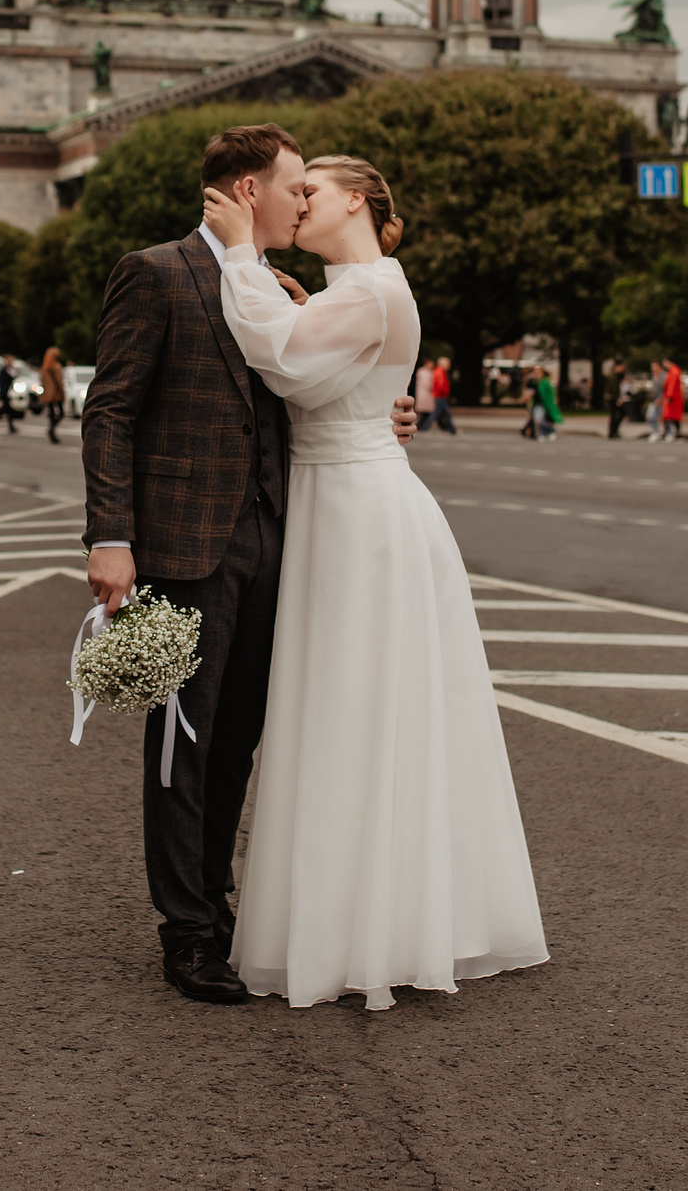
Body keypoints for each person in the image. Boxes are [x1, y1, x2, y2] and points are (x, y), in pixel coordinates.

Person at [81, 121, 422, 1008]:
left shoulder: (281, 285)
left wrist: (382, 413)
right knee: (181, 742)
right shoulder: (155, 272)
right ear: (245, 191)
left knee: (237, 740)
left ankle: (218, 907)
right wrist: (109, 536)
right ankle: (187, 932)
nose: (302, 200)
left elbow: (309, 387)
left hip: (278, 541)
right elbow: (110, 410)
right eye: (292, 186)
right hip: (187, 545)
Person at [200, 153, 545, 1009]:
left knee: (350, 713)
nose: (294, 201)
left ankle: (357, 927)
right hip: (348, 500)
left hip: (357, 513)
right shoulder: (356, 290)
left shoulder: (364, 291)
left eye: (310, 189)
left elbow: (280, 359)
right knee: (354, 716)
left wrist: (239, 253)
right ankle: (381, 916)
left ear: (356, 199)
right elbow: (321, 373)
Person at [38, 346, 67, 444]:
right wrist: (61, 392)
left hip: (48, 394)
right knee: (60, 413)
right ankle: (52, 430)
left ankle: (51, 429)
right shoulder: (55, 366)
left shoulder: (45, 367)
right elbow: (59, 381)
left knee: (51, 414)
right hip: (56, 393)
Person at [0, 354, 21, 434]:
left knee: (7, 410)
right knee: (6, 410)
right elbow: (11, 377)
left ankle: (10, 427)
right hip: (3, 392)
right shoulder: (5, 369)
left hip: (6, 392)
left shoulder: (8, 369)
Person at [532, 364, 562, 441]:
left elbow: (551, 392)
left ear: (542, 372)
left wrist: (553, 400)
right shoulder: (535, 382)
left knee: (542, 420)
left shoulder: (545, 382)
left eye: (537, 372)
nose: (536, 374)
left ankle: (550, 432)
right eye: (535, 372)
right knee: (538, 420)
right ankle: (542, 434)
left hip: (545, 404)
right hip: (538, 404)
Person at [429, 356, 456, 434]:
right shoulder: (440, 372)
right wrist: (445, 392)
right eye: (448, 364)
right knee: (441, 413)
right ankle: (452, 430)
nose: (449, 366)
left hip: (439, 395)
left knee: (441, 414)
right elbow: (441, 385)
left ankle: (452, 429)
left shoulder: (438, 371)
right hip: (440, 396)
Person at [661, 357, 686, 441]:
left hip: (673, 398)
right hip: (674, 397)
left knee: (669, 416)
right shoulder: (673, 371)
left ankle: (668, 433)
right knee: (672, 417)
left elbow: (672, 385)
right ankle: (675, 433)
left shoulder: (674, 371)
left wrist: (669, 396)